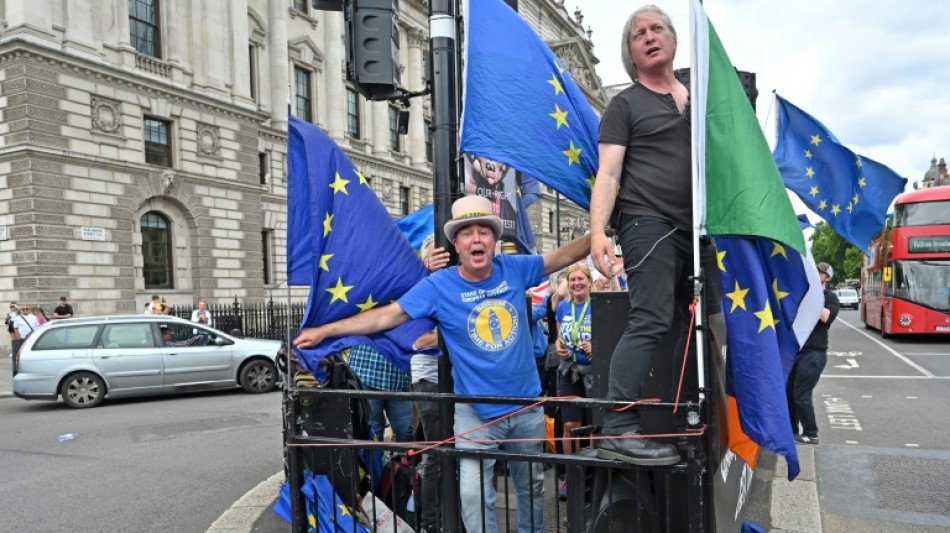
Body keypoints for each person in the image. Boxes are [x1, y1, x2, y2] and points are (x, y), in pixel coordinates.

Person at [294, 195, 591, 533]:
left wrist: (601, 229)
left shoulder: (516, 268)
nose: (476, 238)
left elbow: (564, 255)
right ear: (456, 243)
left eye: (484, 231)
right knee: (474, 497)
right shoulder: (439, 286)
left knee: (533, 490)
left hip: (526, 408)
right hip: (475, 413)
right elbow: (386, 317)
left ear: (494, 240)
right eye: (467, 233)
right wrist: (326, 330)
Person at [588, 5, 720, 466]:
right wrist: (597, 233)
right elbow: (607, 174)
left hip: (697, 229)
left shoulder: (700, 98)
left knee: (697, 324)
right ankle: (617, 427)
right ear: (630, 53)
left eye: (657, 28)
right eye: (638, 33)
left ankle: (690, 416)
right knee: (649, 318)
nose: (649, 36)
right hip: (648, 224)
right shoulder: (624, 104)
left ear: (673, 39)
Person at [787, 262, 839, 445]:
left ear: (827, 278)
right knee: (789, 393)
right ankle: (791, 432)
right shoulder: (803, 294)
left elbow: (827, 317)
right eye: (814, 270)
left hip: (814, 353)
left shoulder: (829, 297)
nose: (815, 273)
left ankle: (811, 433)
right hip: (796, 351)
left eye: (820, 272)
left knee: (801, 394)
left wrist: (813, 297)